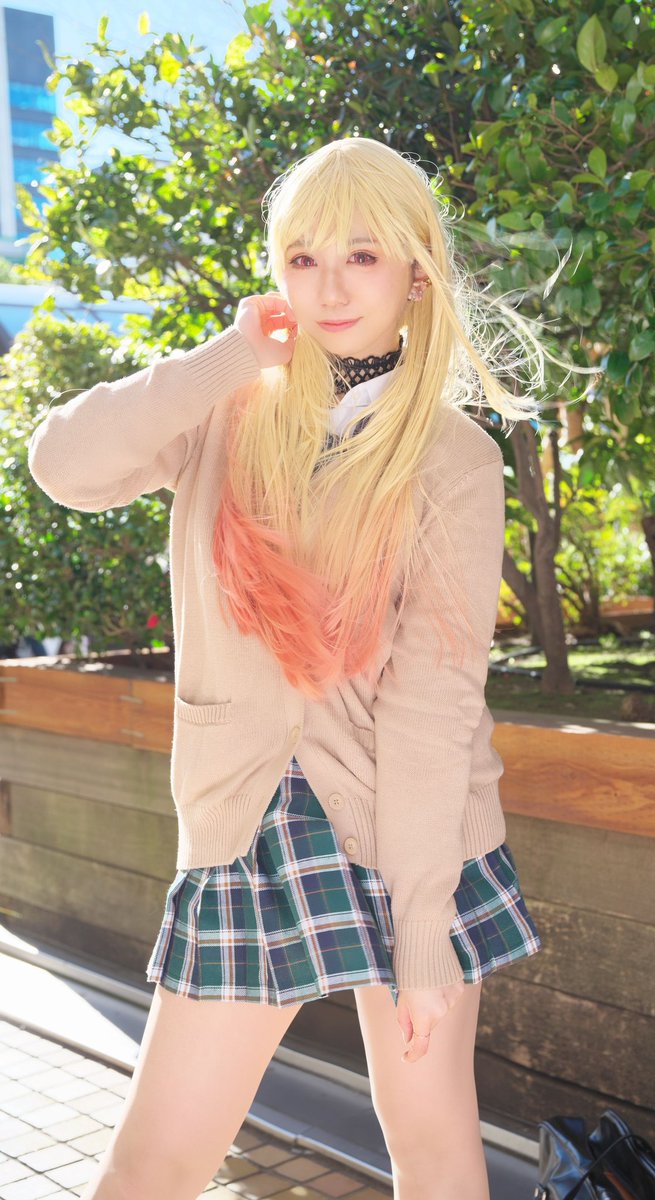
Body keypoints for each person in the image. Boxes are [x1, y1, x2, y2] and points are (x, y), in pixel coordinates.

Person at [27, 136, 543, 1200]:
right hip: (249, 818)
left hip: (412, 827)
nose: (330, 287)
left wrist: (422, 929)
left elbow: (434, 699)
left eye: (361, 255)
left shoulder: (453, 456)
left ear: (415, 273)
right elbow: (62, 465)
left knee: (431, 1144)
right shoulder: (225, 411)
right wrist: (226, 359)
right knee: (155, 1161)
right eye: (303, 258)